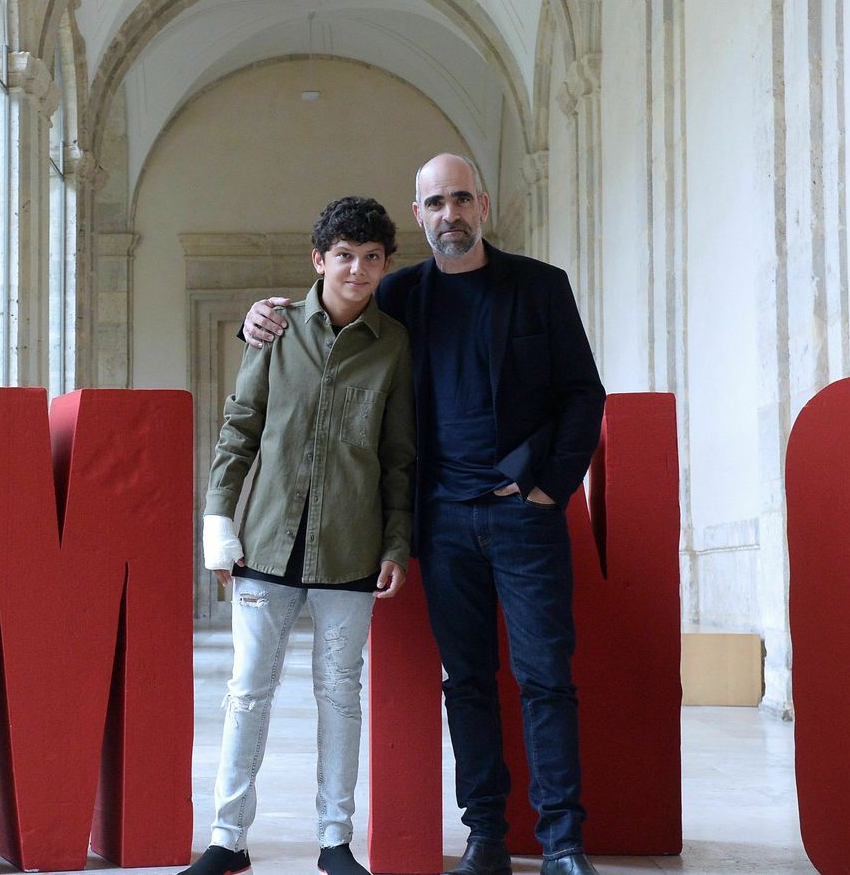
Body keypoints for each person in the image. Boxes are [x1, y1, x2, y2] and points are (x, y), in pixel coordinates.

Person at [242, 154, 606, 875]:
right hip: (440, 523)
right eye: (436, 202)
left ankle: (563, 843)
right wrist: (265, 314)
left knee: (544, 677)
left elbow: (582, 395)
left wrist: (545, 491)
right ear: (420, 214)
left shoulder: (540, 288)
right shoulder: (402, 293)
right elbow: (333, 312)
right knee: (466, 681)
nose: (451, 214)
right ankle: (487, 838)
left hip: (522, 519)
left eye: (462, 199)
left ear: (484, 204)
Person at [185, 196, 415, 875]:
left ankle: (335, 842)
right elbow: (239, 430)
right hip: (264, 546)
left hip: (352, 547)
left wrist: (396, 542)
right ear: (319, 260)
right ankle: (228, 840)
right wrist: (218, 523)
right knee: (247, 692)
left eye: (371, 258)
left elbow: (399, 455)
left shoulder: (395, 344)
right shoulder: (274, 329)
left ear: (385, 265)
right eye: (344, 255)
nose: (357, 269)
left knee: (340, 695)